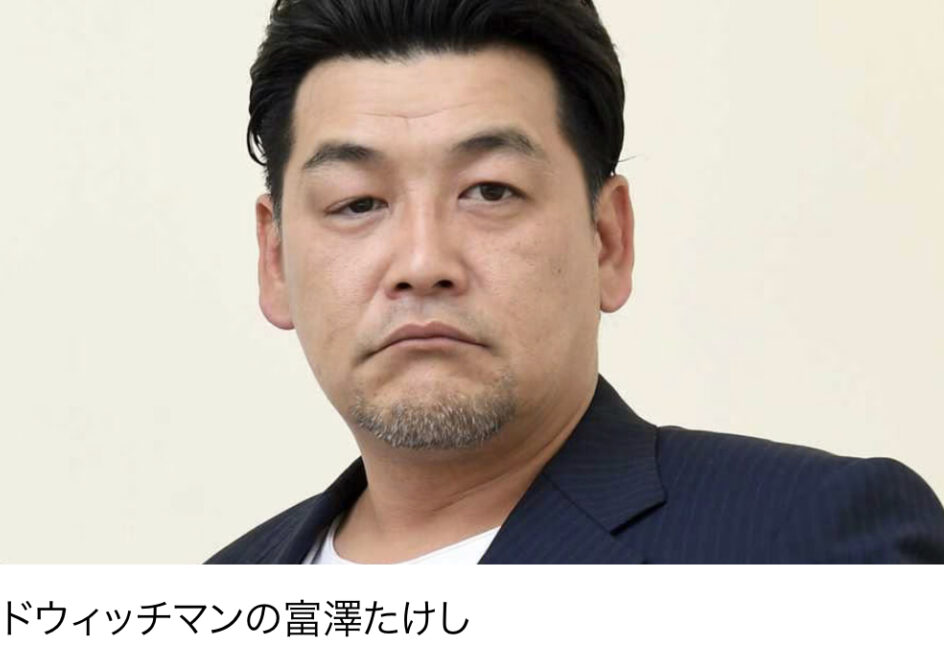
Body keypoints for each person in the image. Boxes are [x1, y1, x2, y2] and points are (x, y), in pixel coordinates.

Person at [204, 0, 944, 564]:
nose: (423, 262)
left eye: (490, 191)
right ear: (275, 259)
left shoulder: (814, 543)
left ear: (608, 240)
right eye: (358, 203)